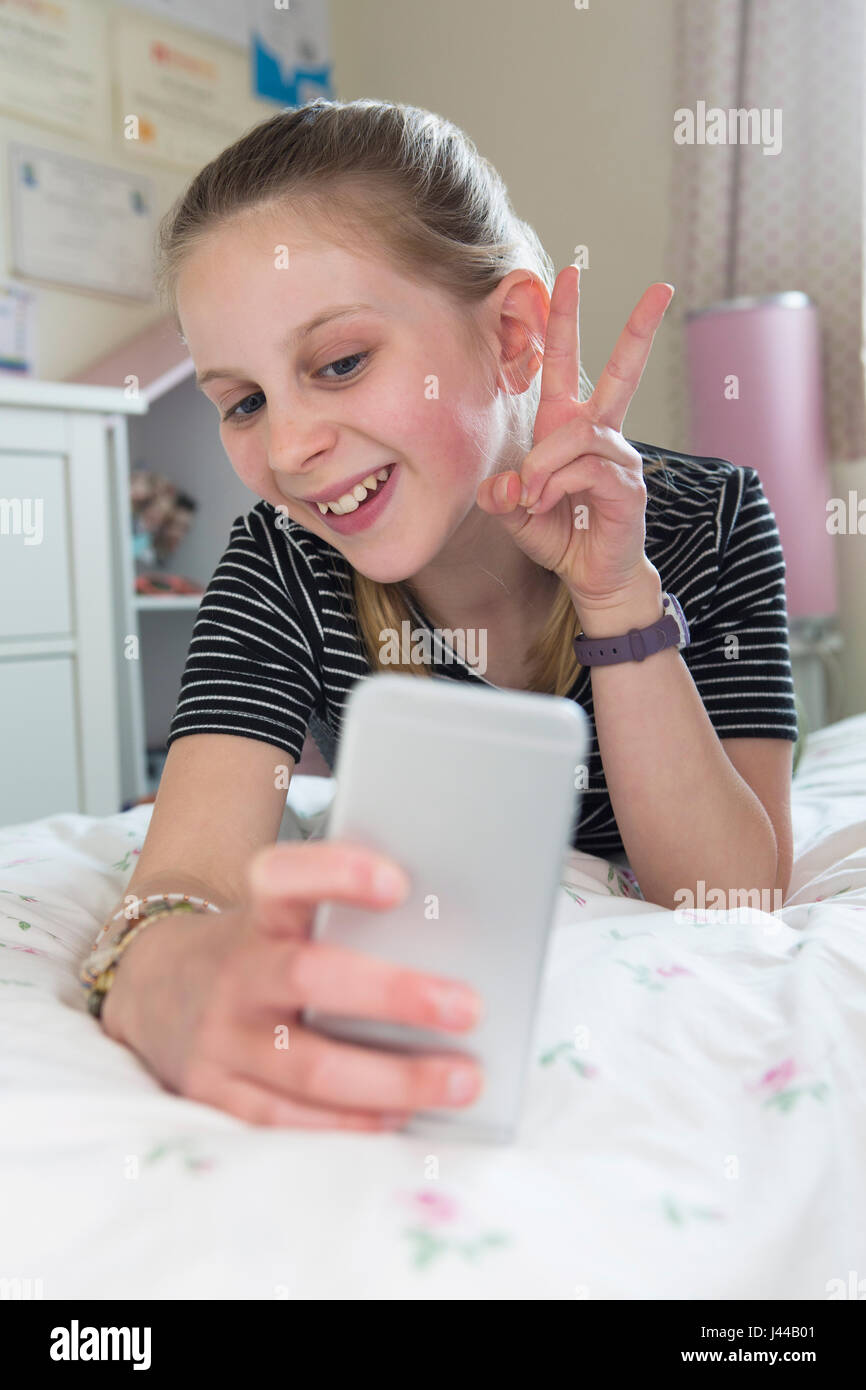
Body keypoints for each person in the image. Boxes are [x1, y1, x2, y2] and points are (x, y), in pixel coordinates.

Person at [82, 99, 798, 1132]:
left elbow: (727, 898)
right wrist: (162, 976)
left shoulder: (710, 516)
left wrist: (615, 595)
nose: (286, 451)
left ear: (509, 334)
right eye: (243, 401)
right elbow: (185, 875)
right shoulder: (283, 561)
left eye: (337, 364)